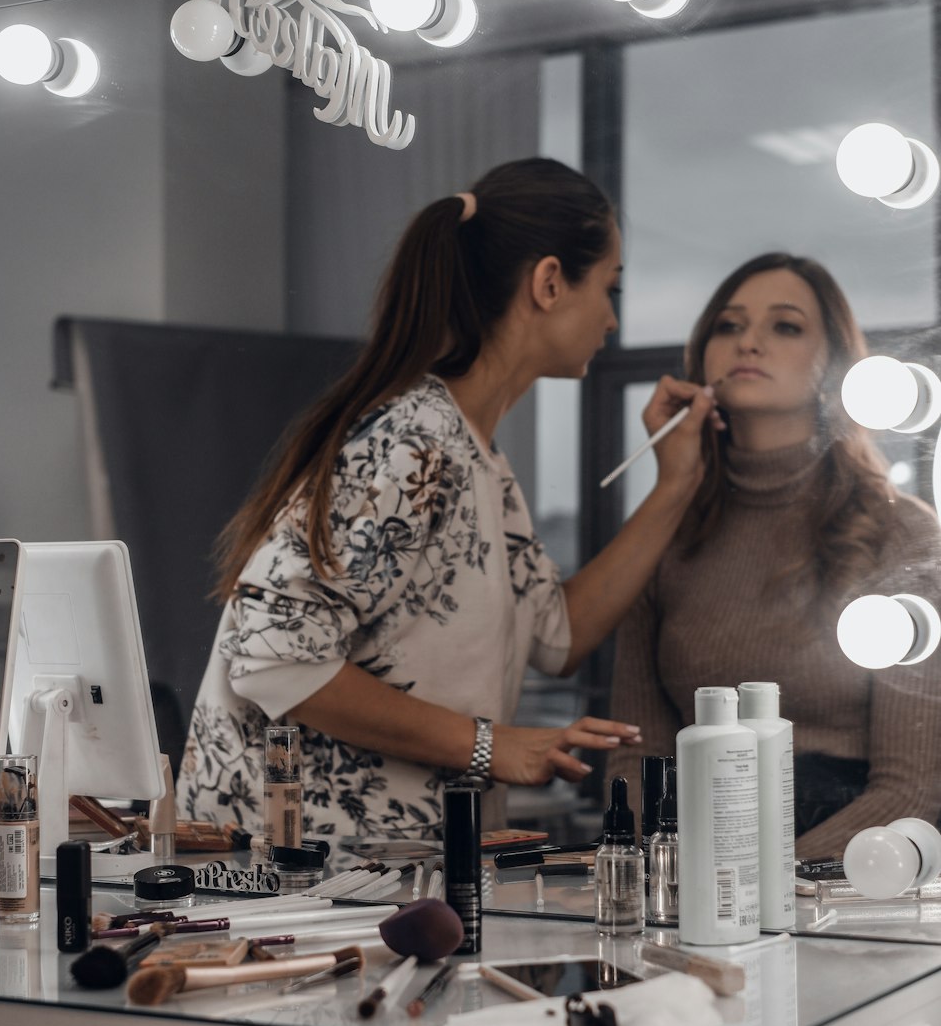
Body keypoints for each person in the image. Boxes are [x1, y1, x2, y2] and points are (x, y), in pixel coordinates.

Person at [175, 158, 719, 841]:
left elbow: (557, 637)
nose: (612, 318)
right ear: (550, 283)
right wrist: (492, 745)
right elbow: (274, 658)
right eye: (609, 288)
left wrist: (676, 484)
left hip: (392, 876)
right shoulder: (415, 442)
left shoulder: (477, 457)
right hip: (309, 882)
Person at [609, 252, 941, 859]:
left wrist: (769, 887)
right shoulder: (661, 534)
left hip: (842, 870)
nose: (750, 342)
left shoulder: (904, 533)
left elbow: (912, 787)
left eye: (785, 326)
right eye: (729, 326)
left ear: (833, 363)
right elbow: (636, 759)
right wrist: (666, 876)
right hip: (684, 866)